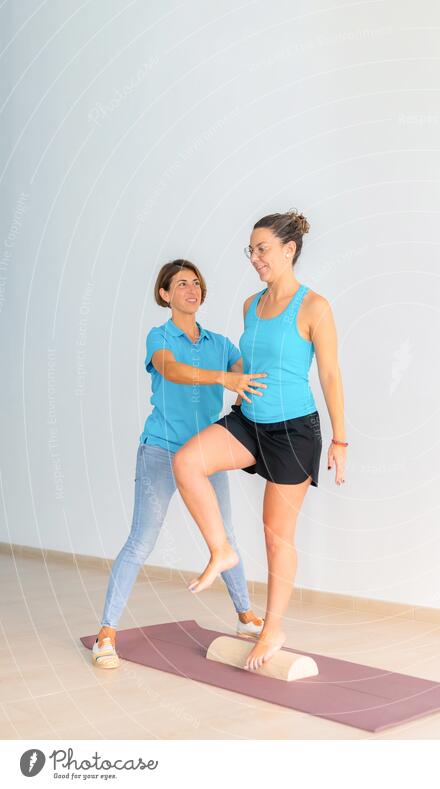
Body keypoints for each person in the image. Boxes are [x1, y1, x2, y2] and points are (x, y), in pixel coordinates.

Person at [172, 210, 347, 672]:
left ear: (289, 250)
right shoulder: (251, 305)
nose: (255, 258)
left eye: (262, 249)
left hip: (293, 430)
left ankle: (273, 627)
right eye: (250, 250)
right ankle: (221, 549)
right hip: (250, 421)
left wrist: (340, 440)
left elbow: (329, 374)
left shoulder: (314, 307)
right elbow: (245, 365)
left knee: (276, 537)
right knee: (188, 462)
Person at [92, 260, 267, 669]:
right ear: (166, 295)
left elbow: (244, 370)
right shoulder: (160, 336)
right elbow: (172, 369)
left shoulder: (220, 344)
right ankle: (106, 632)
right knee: (141, 541)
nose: (192, 289)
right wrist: (223, 380)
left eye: (196, 283)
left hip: (206, 456)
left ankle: (245, 617)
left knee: (225, 539)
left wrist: (243, 378)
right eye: (181, 284)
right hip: (161, 450)